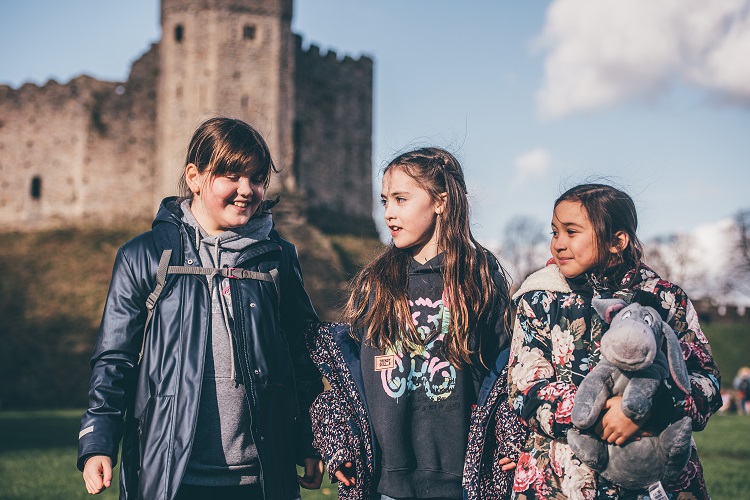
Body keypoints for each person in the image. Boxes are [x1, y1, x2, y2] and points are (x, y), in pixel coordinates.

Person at [77, 117, 324, 500]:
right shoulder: (142, 256)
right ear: (194, 177)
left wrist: (311, 438)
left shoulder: (278, 259)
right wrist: (98, 440)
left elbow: (303, 357)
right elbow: (114, 359)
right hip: (171, 477)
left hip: (259, 482)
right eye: (230, 175)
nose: (247, 190)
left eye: (257, 178)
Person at [306, 147, 526, 500]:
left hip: (461, 484)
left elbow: (505, 376)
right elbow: (350, 383)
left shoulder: (480, 279)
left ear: (441, 201)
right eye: (384, 201)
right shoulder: (375, 283)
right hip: (388, 486)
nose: (389, 213)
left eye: (401, 199)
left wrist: (509, 437)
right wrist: (341, 443)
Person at [507, 183, 722, 498]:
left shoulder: (665, 299)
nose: (558, 244)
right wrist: (597, 414)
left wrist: (649, 408)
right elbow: (524, 384)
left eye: (571, 232)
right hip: (561, 479)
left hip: (655, 477)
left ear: (616, 240)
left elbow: (706, 381)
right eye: (554, 232)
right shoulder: (540, 298)